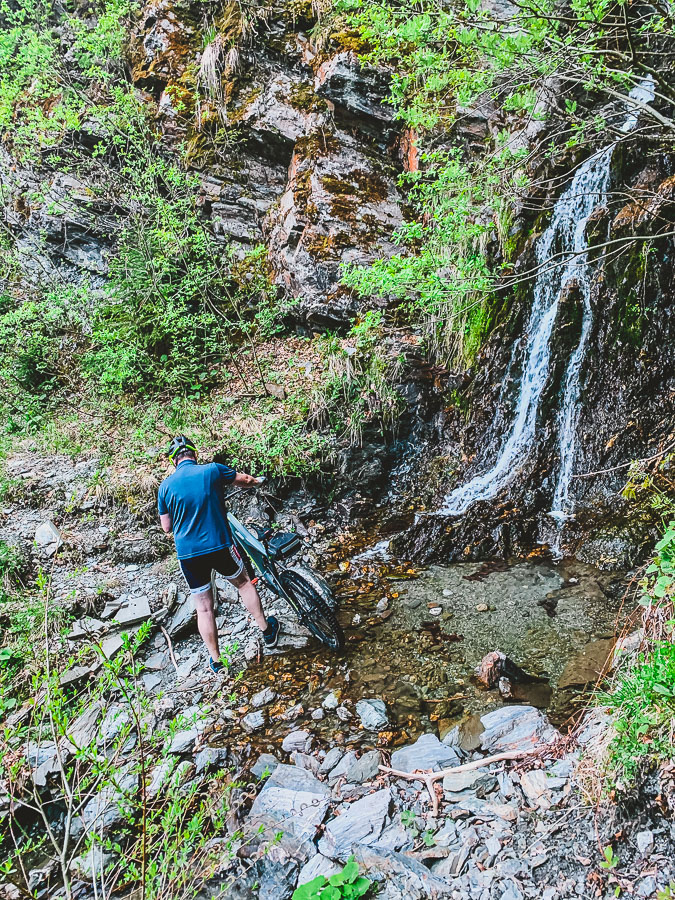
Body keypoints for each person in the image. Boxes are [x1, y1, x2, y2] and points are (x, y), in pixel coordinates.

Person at [158, 435, 280, 672]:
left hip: (188, 555)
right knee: (243, 583)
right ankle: (267, 631)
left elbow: (166, 527)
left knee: (203, 607)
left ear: (174, 461)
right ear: (195, 454)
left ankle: (216, 662)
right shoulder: (212, 470)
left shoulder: (165, 487)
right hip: (218, 545)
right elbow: (243, 479)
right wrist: (255, 482)